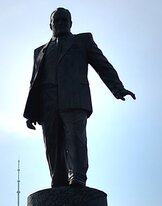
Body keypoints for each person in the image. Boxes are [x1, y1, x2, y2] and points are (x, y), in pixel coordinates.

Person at [23, 7, 135, 187]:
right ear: (50, 25)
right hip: (48, 104)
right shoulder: (40, 51)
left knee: (76, 140)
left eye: (64, 20)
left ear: (71, 23)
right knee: (52, 146)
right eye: (57, 20)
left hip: (74, 99)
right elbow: (34, 82)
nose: (60, 23)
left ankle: (77, 177)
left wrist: (118, 88)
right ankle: (58, 181)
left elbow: (103, 65)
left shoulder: (83, 41)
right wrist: (31, 112)